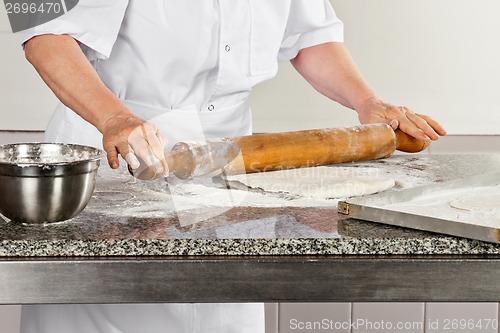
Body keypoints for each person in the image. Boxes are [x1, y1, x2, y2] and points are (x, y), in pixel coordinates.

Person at [21, 1, 446, 332]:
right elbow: (45, 34)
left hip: (231, 165)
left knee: (221, 311)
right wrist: (114, 117)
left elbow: (310, 35)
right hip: (115, 151)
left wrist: (366, 101)